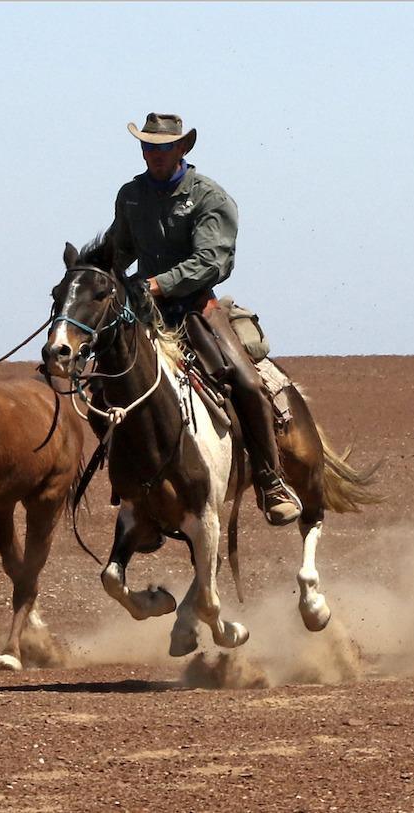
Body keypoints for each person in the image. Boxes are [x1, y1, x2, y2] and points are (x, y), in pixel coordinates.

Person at [107, 112, 302, 526]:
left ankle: (270, 481)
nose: (153, 155)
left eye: (162, 148)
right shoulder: (131, 196)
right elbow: (117, 250)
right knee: (105, 383)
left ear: (182, 148)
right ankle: (131, 485)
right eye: (147, 147)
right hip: (146, 314)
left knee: (247, 382)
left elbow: (213, 260)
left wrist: (158, 284)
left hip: (197, 310)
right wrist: (94, 281)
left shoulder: (209, 196)